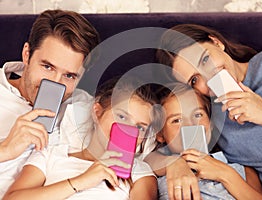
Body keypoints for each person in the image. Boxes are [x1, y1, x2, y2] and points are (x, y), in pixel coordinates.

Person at [155, 23, 262, 199]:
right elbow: (148, 152)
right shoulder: (208, 115)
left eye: (205, 60)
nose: (208, 77)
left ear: (216, 43)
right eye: (194, 80)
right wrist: (174, 163)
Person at [3, 76, 159, 200]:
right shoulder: (51, 155)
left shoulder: (139, 173)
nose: (128, 130)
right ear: (97, 112)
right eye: (122, 116)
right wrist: (81, 181)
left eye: (140, 127)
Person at [0, 9, 99, 197]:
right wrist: (4, 149)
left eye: (69, 76)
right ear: (27, 54)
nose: (55, 83)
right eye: (47, 67)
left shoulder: (89, 108)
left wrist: (174, 163)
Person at [147, 82, 262, 200]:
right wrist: (172, 163)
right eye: (176, 120)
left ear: (210, 124)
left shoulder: (242, 171)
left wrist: (226, 174)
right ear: (160, 134)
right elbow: (144, 161)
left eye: (198, 115)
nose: (190, 125)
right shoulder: (155, 171)